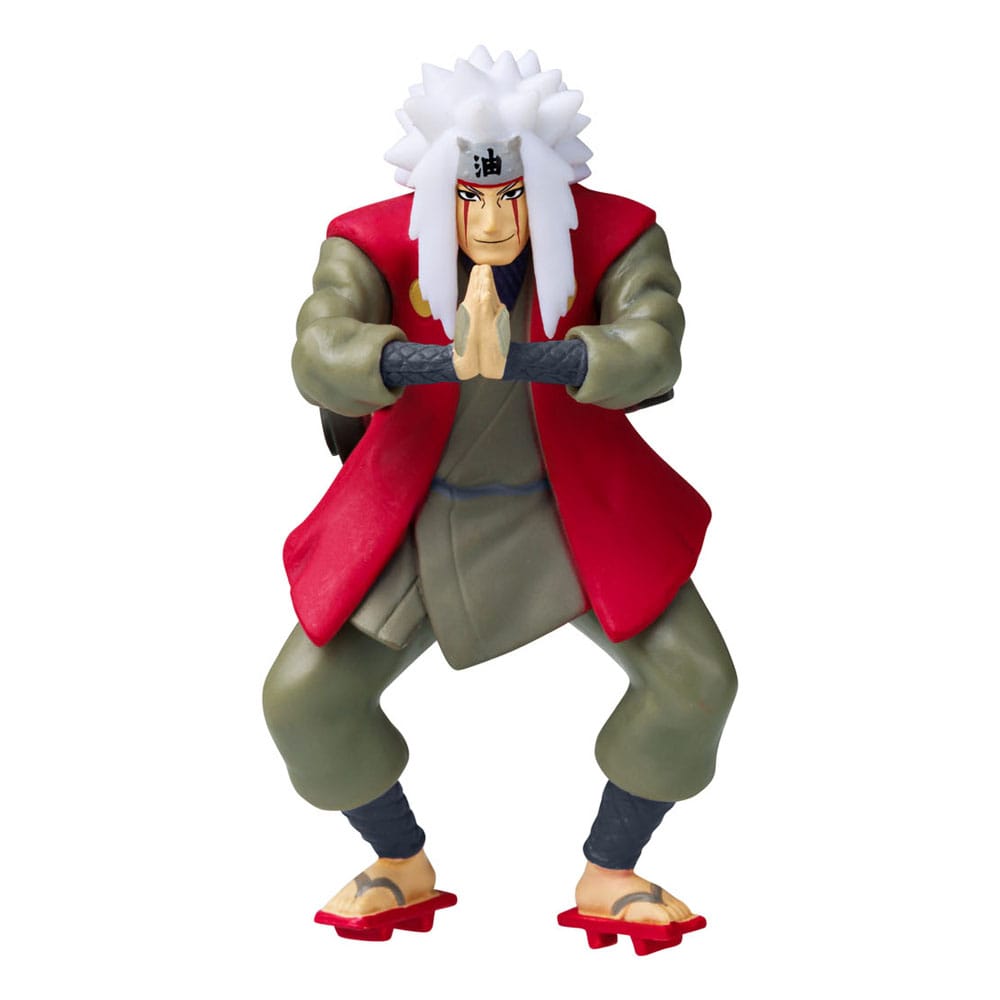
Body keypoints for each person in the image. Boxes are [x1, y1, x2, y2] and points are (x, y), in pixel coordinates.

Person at [264, 47, 737, 952]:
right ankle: (398, 860)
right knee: (303, 697)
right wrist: (424, 361)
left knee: (696, 681)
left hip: (572, 512)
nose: (490, 219)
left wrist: (535, 358)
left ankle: (612, 869)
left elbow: (654, 345)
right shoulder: (369, 244)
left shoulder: (618, 237)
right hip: (421, 516)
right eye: (470, 197)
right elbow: (317, 350)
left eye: (512, 195)